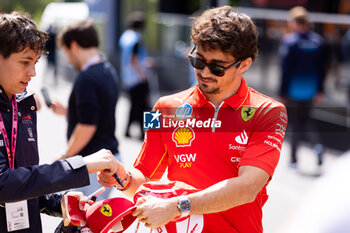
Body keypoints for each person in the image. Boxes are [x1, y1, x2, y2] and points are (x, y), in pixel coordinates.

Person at [98, 6, 287, 232]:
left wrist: (178, 207)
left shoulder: (269, 111)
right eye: (198, 61)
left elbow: (247, 188)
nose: (204, 73)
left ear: (244, 64)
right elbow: (145, 179)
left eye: (217, 68)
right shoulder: (164, 107)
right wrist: (122, 177)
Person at [0, 12, 119, 233]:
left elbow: (25, 180)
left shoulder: (23, 105)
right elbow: (4, 184)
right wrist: (77, 165)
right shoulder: (103, 71)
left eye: (35, 62)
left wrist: (60, 202)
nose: (33, 72)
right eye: (25, 62)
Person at [50, 20, 120, 201]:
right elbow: (98, 112)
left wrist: (66, 157)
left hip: (92, 163)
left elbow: (87, 126)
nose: (68, 58)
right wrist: (68, 111)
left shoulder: (86, 78)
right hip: (108, 156)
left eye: (66, 51)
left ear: (73, 46)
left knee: (85, 221)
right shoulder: (107, 68)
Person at [279, 6, 328, 169]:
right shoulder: (318, 41)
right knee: (306, 120)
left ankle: (293, 160)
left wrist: (282, 92)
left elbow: (285, 70)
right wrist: (320, 90)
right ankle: (317, 146)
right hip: (311, 90)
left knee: (295, 124)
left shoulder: (290, 41)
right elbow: (323, 69)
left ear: (294, 21)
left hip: (293, 90)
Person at [119, 11, 151, 140]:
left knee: (134, 105)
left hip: (128, 77)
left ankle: (127, 130)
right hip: (137, 77)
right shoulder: (136, 39)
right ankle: (146, 132)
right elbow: (134, 59)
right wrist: (143, 73)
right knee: (144, 106)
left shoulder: (125, 36)